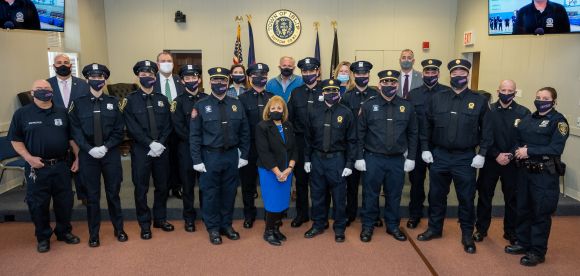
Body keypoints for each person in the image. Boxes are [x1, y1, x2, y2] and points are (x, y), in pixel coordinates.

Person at [418, 59, 492, 254]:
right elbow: (426, 126)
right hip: (439, 156)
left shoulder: (479, 100)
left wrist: (482, 154)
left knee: (466, 198)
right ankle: (435, 228)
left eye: (462, 73)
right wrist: (425, 148)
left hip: (465, 158)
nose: (458, 76)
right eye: (455, 73)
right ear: (449, 75)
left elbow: (487, 131)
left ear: (467, 75)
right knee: (436, 196)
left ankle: (467, 234)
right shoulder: (437, 98)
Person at [8, 79, 80, 253]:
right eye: (39, 89)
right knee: (38, 204)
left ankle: (64, 232)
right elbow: (15, 141)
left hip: (62, 165)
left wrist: (78, 158)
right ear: (32, 93)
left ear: (52, 92)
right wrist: (28, 158)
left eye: (47, 88)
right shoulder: (22, 114)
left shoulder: (62, 112)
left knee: (65, 202)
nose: (43, 91)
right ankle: (43, 237)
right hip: (37, 168)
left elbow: (71, 138)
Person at [505, 87, 569, 266]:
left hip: (544, 175)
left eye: (546, 98)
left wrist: (529, 151)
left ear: (554, 101)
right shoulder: (528, 119)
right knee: (523, 209)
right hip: (524, 172)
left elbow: (556, 148)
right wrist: (517, 150)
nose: (541, 100)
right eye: (538, 97)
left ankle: (537, 251)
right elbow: (518, 138)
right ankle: (523, 243)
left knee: (540, 213)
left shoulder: (558, 121)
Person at [69, 63, 128, 247]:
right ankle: (93, 234)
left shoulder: (113, 103)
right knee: (92, 197)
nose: (97, 80)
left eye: (100, 77)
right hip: (88, 156)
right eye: (93, 77)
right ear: (87, 79)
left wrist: (106, 146)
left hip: (109, 155)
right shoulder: (78, 104)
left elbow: (119, 130)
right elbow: (75, 130)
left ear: (105, 79)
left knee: (114, 194)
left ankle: (119, 229)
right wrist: (88, 148)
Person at [190, 67, 250, 245]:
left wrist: (244, 154)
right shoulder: (200, 105)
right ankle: (213, 228)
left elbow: (245, 132)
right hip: (210, 157)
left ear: (228, 82)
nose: (219, 83)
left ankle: (226, 225)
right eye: (215, 80)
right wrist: (196, 160)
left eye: (223, 80)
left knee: (229, 193)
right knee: (210, 194)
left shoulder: (236, 104)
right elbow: (194, 135)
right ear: (210, 82)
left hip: (231, 156)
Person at [356, 70, 418, 242]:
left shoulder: (406, 106)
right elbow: (360, 133)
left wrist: (411, 157)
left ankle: (392, 225)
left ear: (397, 85)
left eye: (392, 82)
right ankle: (367, 226)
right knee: (370, 194)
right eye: (385, 82)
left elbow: (413, 133)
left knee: (394, 194)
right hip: (373, 158)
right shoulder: (368, 105)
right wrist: (359, 157)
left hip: (397, 160)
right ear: (380, 84)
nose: (389, 85)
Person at [473, 80, 530, 244]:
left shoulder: (523, 112)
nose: (506, 93)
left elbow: (525, 138)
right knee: (484, 197)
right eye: (503, 90)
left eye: (510, 90)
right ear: (497, 91)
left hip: (513, 163)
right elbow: (482, 135)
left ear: (514, 92)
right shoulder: (487, 110)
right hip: (491, 160)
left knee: (512, 199)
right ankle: (481, 229)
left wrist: (511, 155)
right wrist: (496, 154)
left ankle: (510, 232)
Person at [123, 60, 175, 240]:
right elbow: (131, 127)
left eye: (151, 74)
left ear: (155, 76)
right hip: (141, 151)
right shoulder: (129, 100)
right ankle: (144, 224)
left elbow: (169, 124)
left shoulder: (162, 99)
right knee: (141, 188)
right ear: (138, 76)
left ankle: (160, 219)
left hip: (161, 149)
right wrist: (149, 143)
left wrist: (160, 143)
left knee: (162, 186)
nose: (147, 77)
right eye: (143, 74)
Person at [303, 79, 356, 242]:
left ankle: (339, 228)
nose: (331, 94)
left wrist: (349, 163)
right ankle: (318, 224)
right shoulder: (313, 111)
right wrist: (306, 159)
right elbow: (308, 138)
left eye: (334, 90)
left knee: (339, 197)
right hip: (317, 159)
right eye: (328, 91)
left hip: (337, 160)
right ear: (322, 93)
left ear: (339, 92)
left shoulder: (346, 113)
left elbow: (352, 140)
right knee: (317, 195)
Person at [405, 59, 450, 229]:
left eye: (433, 72)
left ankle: (435, 217)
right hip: (417, 146)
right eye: (427, 72)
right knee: (416, 183)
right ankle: (415, 214)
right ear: (422, 73)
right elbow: (408, 121)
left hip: (438, 146)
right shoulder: (413, 94)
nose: (430, 75)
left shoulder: (447, 92)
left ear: (438, 73)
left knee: (438, 186)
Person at [341, 60, 382, 227]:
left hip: (372, 147)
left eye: (365, 74)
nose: (362, 76)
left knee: (371, 185)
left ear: (368, 75)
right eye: (358, 74)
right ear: (353, 75)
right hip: (352, 146)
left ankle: (373, 215)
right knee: (351, 185)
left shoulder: (376, 95)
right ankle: (350, 214)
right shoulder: (346, 97)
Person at [47, 53, 90, 205]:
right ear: (54, 66)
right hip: (57, 132)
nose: (63, 65)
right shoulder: (47, 85)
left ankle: (84, 196)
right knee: (63, 167)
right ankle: (63, 198)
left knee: (82, 164)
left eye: (66, 62)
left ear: (71, 65)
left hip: (80, 131)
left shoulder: (84, 84)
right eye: (59, 62)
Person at [286, 57, 324, 228]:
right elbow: (289, 120)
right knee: (301, 182)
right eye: (305, 71)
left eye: (311, 70)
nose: (308, 74)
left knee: (319, 182)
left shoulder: (327, 90)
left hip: (321, 142)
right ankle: (302, 215)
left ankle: (319, 216)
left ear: (318, 71)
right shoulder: (296, 93)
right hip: (301, 142)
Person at [256, 95, 297, 246]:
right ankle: (268, 232)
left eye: (279, 108)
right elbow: (264, 152)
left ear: (284, 110)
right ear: (268, 110)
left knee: (281, 202)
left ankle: (276, 229)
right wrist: (278, 172)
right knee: (272, 202)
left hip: (286, 170)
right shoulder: (262, 126)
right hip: (270, 171)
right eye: (273, 108)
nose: (276, 110)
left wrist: (289, 168)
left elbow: (294, 149)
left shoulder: (288, 126)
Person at [238, 63, 275, 228]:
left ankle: (272, 214)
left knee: (271, 183)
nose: (260, 77)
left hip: (270, 148)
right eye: (256, 74)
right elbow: (239, 125)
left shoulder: (273, 98)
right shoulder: (242, 99)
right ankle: (249, 214)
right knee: (248, 184)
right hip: (250, 147)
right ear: (249, 77)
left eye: (263, 74)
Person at [171, 64, 207, 233]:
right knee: (187, 186)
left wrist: (203, 142)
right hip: (185, 149)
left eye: (194, 77)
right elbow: (178, 128)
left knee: (205, 185)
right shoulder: (177, 102)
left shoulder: (207, 99)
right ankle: (189, 218)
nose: (191, 80)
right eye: (188, 78)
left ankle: (207, 215)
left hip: (205, 149)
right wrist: (194, 142)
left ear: (199, 79)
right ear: (182, 81)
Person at [154, 51, 185, 199]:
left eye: (169, 61)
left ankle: (177, 186)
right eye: (163, 61)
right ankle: (164, 188)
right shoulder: (152, 82)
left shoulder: (180, 80)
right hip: (160, 128)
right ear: (157, 64)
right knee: (163, 160)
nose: (166, 63)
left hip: (178, 127)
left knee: (178, 158)